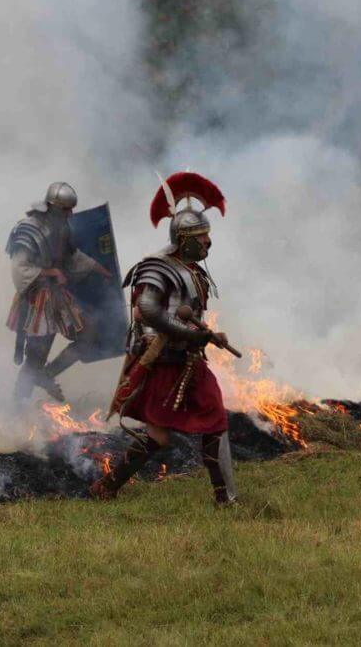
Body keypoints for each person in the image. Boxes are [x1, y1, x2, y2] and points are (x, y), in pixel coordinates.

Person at [91, 172, 239, 505]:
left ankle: (225, 499)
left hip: (188, 360)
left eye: (207, 236)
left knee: (215, 419)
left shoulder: (193, 269)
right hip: (161, 361)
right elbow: (148, 311)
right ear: (183, 238)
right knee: (159, 435)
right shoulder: (157, 267)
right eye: (200, 237)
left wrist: (203, 335)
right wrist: (192, 334)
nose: (207, 243)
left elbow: (188, 315)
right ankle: (108, 487)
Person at [5, 182, 111, 401]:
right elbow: (20, 270)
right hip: (35, 300)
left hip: (57, 297)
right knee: (35, 358)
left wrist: (99, 269)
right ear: (53, 207)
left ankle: (46, 375)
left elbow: (72, 257)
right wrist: (51, 272)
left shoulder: (61, 227)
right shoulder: (28, 229)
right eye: (65, 209)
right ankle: (15, 409)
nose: (70, 213)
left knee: (88, 334)